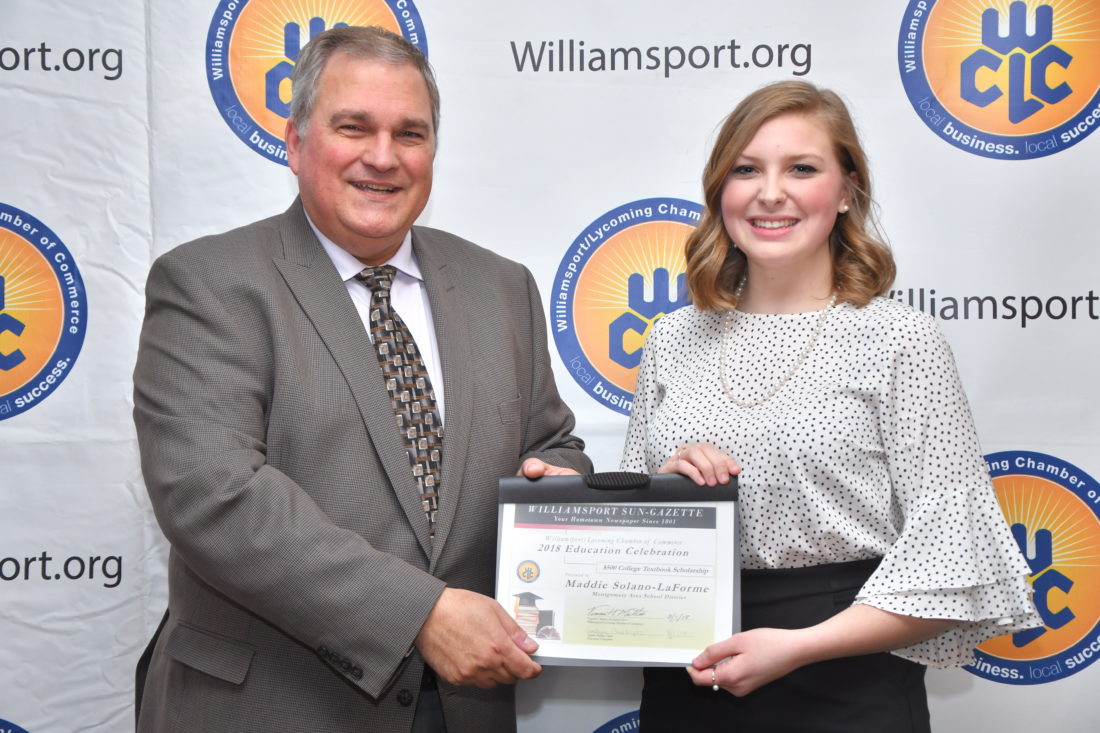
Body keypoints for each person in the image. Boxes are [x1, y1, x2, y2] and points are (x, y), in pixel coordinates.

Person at [132, 25, 590, 733]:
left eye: (410, 133)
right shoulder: (208, 282)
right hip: (274, 708)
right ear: (295, 143)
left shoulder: (503, 287)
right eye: (353, 127)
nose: (383, 156)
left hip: (462, 709)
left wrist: (555, 486)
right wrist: (421, 614)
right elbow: (213, 495)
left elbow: (551, 444)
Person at [620, 80, 1039, 732]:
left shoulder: (901, 338)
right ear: (720, 190)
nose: (770, 192)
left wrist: (798, 646)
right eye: (746, 170)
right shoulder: (672, 338)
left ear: (846, 191)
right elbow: (627, 553)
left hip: (847, 683)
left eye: (802, 169)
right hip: (689, 679)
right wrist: (666, 492)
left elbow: (953, 560)